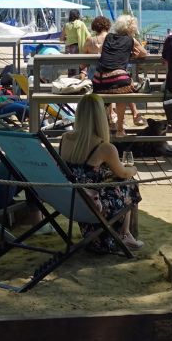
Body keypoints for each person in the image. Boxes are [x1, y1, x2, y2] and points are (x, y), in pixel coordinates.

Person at [58, 94, 143, 252]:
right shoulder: (104, 147)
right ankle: (125, 234)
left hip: (73, 202)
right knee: (130, 183)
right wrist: (133, 169)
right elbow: (123, 173)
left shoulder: (65, 138)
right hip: (95, 205)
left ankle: (110, 236)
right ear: (100, 116)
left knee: (114, 181)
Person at [91, 15, 148, 136]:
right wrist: (134, 54)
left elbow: (106, 53)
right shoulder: (130, 40)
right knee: (123, 93)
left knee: (123, 86)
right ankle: (120, 129)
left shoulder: (108, 37)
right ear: (132, 28)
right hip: (116, 79)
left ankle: (128, 118)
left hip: (98, 80)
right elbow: (144, 53)